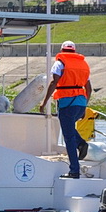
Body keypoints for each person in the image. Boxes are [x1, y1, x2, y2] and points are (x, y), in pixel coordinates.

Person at [39, 40, 92, 178]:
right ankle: (81, 144)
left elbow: (53, 83)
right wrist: (84, 104)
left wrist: (44, 102)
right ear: (74, 51)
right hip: (80, 102)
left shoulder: (59, 63)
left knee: (68, 138)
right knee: (70, 130)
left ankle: (74, 170)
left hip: (67, 104)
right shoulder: (83, 64)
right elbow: (89, 88)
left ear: (62, 50)